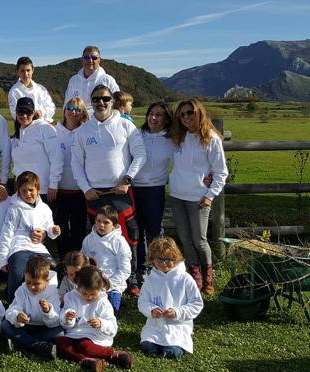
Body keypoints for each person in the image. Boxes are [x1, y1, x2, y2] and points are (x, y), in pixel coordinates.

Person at [71, 84, 145, 296]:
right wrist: (86, 189)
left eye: (105, 99)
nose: (100, 103)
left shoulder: (125, 125)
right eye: (96, 99)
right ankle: (97, 278)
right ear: (91, 102)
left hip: (121, 190)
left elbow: (140, 155)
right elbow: (76, 163)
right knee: (99, 237)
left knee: (130, 236)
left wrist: (127, 180)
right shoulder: (83, 131)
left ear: (112, 101)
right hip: (95, 193)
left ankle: (131, 279)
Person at [169, 99, 228, 295]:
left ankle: (209, 278)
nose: (186, 117)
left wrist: (210, 195)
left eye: (190, 113)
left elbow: (221, 172)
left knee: (199, 239)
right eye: (182, 114)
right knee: (185, 240)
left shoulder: (211, 139)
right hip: (177, 196)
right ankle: (196, 278)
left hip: (199, 198)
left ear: (199, 114)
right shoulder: (178, 137)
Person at [57, 266, 134, 372]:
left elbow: (113, 327)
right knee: (60, 342)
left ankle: (112, 354)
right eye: (84, 293)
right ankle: (87, 360)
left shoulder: (103, 302)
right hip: (74, 334)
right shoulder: (70, 297)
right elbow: (65, 320)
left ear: (100, 288)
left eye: (93, 294)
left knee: (85, 346)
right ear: (78, 287)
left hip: (94, 336)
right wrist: (67, 318)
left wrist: (101, 324)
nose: (88, 297)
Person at [0, 171, 61, 302]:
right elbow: (6, 233)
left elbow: (49, 229)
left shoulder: (44, 209)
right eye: (24, 191)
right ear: (19, 191)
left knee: (53, 270)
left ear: (38, 189)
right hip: (20, 247)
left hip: (39, 248)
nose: (28, 194)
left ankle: (50, 303)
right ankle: (13, 305)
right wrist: (3, 259)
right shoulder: (14, 208)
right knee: (17, 271)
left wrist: (54, 231)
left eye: (31, 190)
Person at [138, 236, 204, 359]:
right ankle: (155, 344)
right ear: (153, 259)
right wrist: (152, 310)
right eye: (160, 259)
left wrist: (177, 312)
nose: (164, 263)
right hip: (156, 324)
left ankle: (174, 347)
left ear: (176, 258)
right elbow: (143, 302)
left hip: (178, 325)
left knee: (172, 352)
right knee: (148, 347)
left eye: (168, 259)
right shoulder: (150, 280)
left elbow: (196, 304)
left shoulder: (185, 279)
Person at [132, 102, 175, 285]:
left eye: (159, 115)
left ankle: (159, 269)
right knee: (137, 231)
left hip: (154, 189)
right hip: (134, 188)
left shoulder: (171, 139)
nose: (153, 118)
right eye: (151, 113)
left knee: (154, 231)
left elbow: (186, 160)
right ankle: (140, 269)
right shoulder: (136, 134)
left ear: (166, 119)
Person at [1, 256, 63, 359]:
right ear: (25, 276)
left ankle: (21, 343)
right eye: (28, 282)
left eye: (36, 284)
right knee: (5, 325)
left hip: (44, 327)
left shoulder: (53, 292)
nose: (31, 287)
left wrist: (48, 311)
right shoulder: (22, 290)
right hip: (26, 327)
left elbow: (55, 321)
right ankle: (38, 346)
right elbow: (12, 310)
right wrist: (18, 316)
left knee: (60, 332)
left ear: (47, 281)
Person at [54, 97, 89, 256]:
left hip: (79, 191)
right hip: (59, 190)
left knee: (78, 227)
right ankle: (63, 259)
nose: (73, 112)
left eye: (78, 109)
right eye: (70, 107)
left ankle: (76, 260)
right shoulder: (54, 131)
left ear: (83, 114)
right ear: (64, 110)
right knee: (59, 226)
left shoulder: (86, 132)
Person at [10, 97, 63, 202]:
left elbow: (57, 158)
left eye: (28, 112)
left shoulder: (45, 129)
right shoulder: (16, 136)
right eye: (21, 112)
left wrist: (53, 185)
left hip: (42, 191)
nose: (24, 116)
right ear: (16, 113)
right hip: (22, 190)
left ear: (34, 113)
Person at [81, 206, 131, 314]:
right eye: (98, 221)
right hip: (91, 283)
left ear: (114, 224)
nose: (101, 225)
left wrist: (107, 285)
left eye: (106, 222)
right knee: (83, 308)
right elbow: (83, 263)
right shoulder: (89, 240)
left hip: (112, 285)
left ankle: (117, 298)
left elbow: (125, 270)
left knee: (110, 312)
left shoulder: (119, 242)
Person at [64, 46, 120, 116]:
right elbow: (67, 102)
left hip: (100, 120)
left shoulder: (108, 80)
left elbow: (117, 103)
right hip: (77, 120)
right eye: (86, 58)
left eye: (94, 58)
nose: (90, 60)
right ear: (82, 60)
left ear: (99, 60)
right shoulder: (74, 80)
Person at [8, 56, 56, 123]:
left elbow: (51, 108)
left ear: (33, 70)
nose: (26, 74)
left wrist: (41, 112)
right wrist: (33, 115)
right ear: (17, 72)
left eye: (28, 70)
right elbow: (15, 114)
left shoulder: (41, 89)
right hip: (27, 128)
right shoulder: (14, 92)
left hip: (46, 125)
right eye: (22, 71)